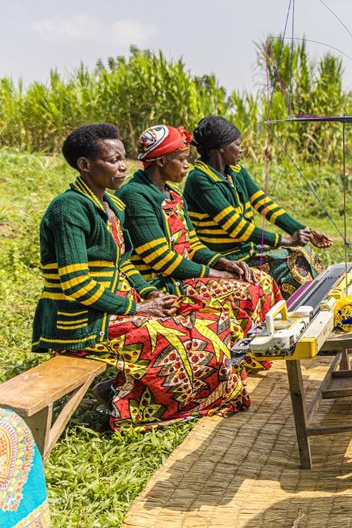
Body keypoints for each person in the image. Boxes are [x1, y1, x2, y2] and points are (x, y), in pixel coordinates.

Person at [32, 123, 249, 430]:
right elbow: (76, 284)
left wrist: (148, 293)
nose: (123, 166)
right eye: (113, 160)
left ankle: (119, 390)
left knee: (211, 321)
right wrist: (136, 308)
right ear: (84, 165)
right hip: (81, 323)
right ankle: (128, 407)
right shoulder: (69, 210)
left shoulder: (112, 205)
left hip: (114, 309)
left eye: (123, 158)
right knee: (189, 340)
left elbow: (124, 265)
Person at [117, 124, 284, 367]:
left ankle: (254, 355)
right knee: (246, 292)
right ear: (161, 161)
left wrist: (223, 262)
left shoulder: (172, 194)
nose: (187, 165)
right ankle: (237, 361)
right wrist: (216, 274)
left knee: (261, 280)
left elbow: (193, 245)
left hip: (183, 276)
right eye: (182, 159)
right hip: (162, 283)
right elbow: (162, 260)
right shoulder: (136, 196)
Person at [182, 116, 332, 298]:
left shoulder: (236, 172)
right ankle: (301, 308)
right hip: (226, 259)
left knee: (304, 253)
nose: (241, 149)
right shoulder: (200, 179)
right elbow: (235, 226)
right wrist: (284, 241)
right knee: (291, 266)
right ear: (221, 148)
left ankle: (314, 302)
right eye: (237, 145)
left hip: (249, 252)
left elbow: (265, 204)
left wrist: (305, 231)